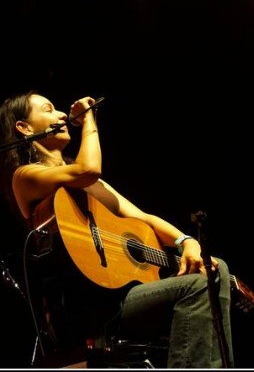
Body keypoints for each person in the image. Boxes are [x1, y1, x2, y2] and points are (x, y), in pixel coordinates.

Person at [0, 91, 234, 368]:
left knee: (215, 268)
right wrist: (89, 121)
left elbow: (144, 218)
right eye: (49, 109)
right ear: (24, 128)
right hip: (91, 309)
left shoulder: (87, 182)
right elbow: (89, 169)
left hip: (123, 296)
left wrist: (186, 241)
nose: (62, 114)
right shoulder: (25, 176)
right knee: (198, 284)